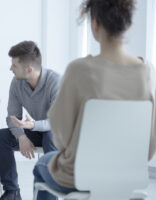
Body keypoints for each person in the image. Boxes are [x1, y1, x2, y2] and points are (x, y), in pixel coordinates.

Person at [33, 0, 156, 199]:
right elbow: (149, 148)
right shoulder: (147, 72)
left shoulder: (79, 70)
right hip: (127, 177)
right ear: (128, 24)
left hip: (78, 176)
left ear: (95, 24)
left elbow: (61, 137)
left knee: (42, 164)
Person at [0, 41, 60, 200]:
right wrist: (21, 137)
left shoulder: (56, 81)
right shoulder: (17, 83)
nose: (11, 69)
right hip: (35, 130)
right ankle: (12, 191)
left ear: (29, 69)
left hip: (59, 133)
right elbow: (12, 117)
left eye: (14, 65)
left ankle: (48, 196)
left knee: (50, 134)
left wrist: (33, 125)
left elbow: (56, 122)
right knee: (0, 137)